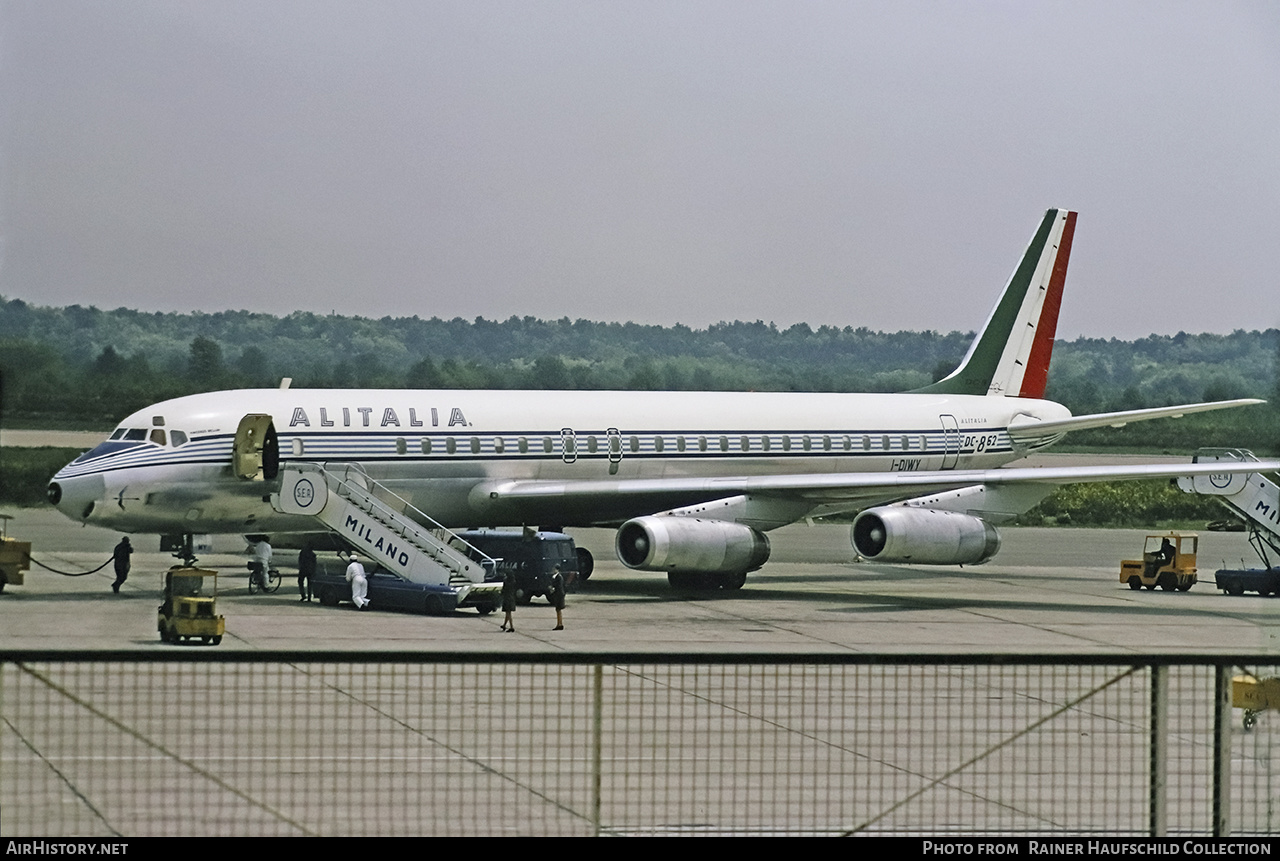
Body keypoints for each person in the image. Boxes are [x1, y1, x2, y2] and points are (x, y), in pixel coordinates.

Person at [548, 564, 566, 631]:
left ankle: (560, 624)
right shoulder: (555, 577)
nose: (553, 570)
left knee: (558, 610)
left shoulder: (559, 577)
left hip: (559, 595)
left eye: (554, 569)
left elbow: (558, 586)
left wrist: (552, 588)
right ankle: (559, 623)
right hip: (558, 595)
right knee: (558, 610)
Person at [500, 568, 517, 632]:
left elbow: (503, 590)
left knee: (508, 613)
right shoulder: (513, 581)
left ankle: (511, 627)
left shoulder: (506, 581)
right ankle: (504, 625)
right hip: (511, 598)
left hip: (507, 598)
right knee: (508, 613)